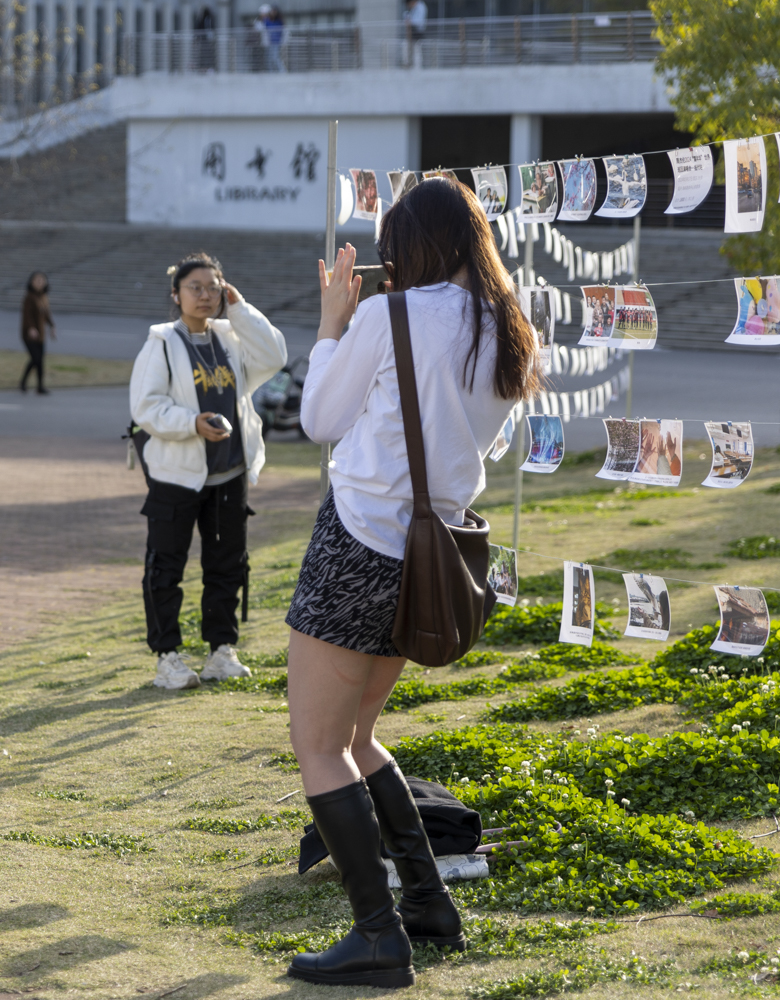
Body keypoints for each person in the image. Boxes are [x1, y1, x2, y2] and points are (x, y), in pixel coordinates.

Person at [282, 179, 541, 987]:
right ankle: (428, 905)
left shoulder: (392, 315)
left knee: (321, 747)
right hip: (433, 561)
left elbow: (318, 419)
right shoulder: (509, 330)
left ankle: (377, 937)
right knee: (357, 739)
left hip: (359, 538)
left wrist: (331, 325)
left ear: (418, 247)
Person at [130, 251, 287, 691]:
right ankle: (168, 658)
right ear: (176, 295)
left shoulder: (230, 336)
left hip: (228, 474)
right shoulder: (161, 341)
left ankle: (221, 651)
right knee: (166, 569)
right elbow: (145, 407)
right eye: (194, 288)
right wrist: (191, 424)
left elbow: (274, 356)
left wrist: (239, 309)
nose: (205, 296)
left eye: (213, 287)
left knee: (227, 566)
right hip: (176, 477)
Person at [19, 271, 55, 395]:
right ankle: (23, 383)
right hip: (29, 334)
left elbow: (46, 314)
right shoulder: (29, 297)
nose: (40, 283)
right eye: (37, 280)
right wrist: (31, 328)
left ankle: (39, 386)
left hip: (40, 334)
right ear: (31, 282)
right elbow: (27, 315)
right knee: (36, 358)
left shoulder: (43, 298)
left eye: (42, 281)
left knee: (40, 361)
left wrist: (52, 325)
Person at [404, 0, 427, 67]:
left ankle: (417, 67)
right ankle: (409, 64)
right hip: (412, 33)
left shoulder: (420, 7)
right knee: (408, 48)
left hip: (418, 33)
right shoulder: (414, 8)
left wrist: (409, 21)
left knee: (417, 50)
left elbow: (418, 22)